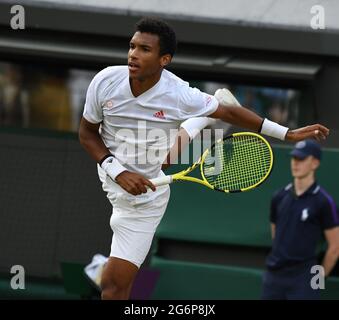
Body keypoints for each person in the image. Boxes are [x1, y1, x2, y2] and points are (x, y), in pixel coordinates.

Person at [79, 17, 329, 300]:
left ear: (164, 59)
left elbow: (230, 113)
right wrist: (117, 171)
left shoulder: (179, 93)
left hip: (142, 205)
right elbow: (87, 133)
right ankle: (200, 121)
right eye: (132, 46)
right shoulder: (105, 81)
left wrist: (288, 134)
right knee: (166, 158)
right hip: (117, 174)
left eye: (144, 49)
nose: (133, 54)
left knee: (113, 289)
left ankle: (201, 118)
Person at [262, 139, 339, 300]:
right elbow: (276, 235)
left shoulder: (324, 201)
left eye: (301, 159)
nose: (295, 163)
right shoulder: (279, 196)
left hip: (304, 277)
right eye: (294, 158)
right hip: (274, 275)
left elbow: (335, 247)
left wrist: (318, 279)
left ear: (315, 163)